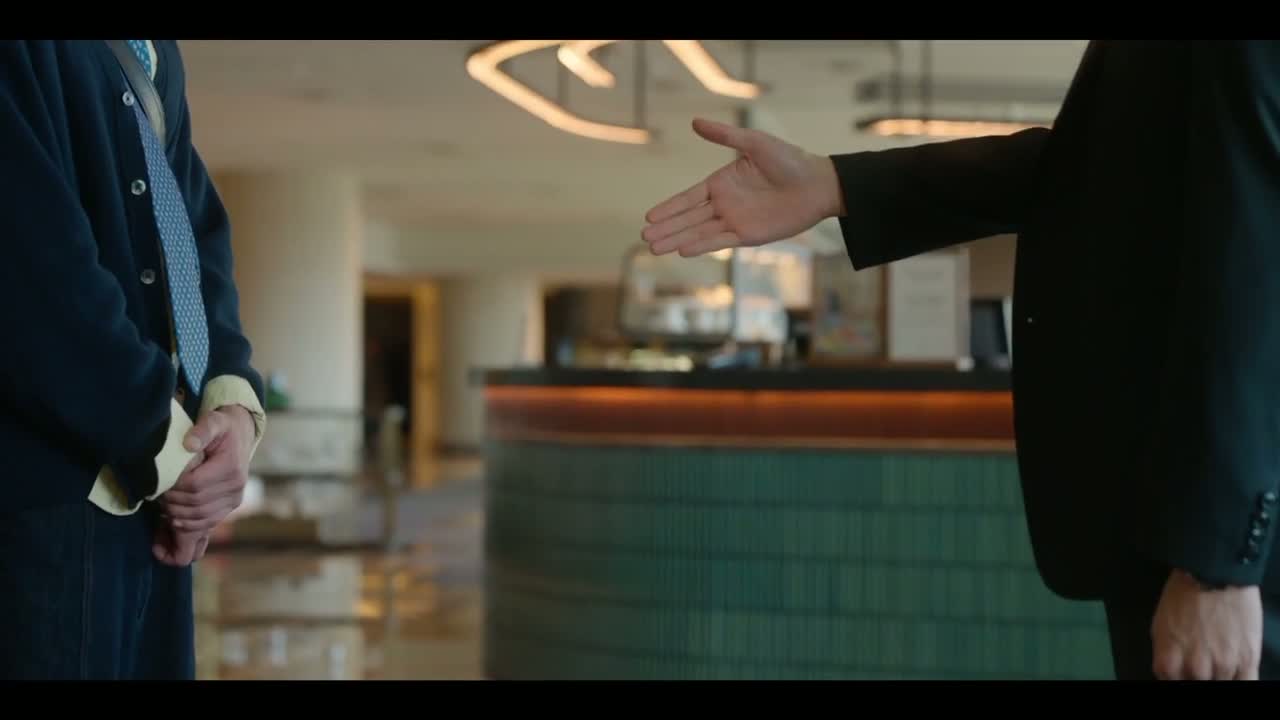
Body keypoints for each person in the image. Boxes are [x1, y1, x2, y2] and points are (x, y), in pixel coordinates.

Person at [642, 40, 1280, 681]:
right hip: (1188, 521)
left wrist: (1219, 562)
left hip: (1217, 535)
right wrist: (837, 182)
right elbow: (1105, 173)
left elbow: (1256, 240)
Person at [0, 40, 266, 678]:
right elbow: (32, 270)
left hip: (151, 493)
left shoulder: (154, 51)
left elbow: (194, 232)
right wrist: (171, 447)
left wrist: (228, 403)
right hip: (48, 495)